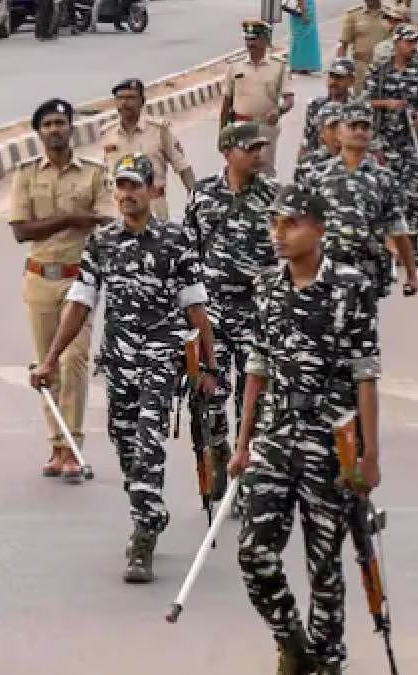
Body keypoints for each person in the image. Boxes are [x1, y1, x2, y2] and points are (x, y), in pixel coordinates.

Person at [31, 153, 218, 583]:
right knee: (126, 443)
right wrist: (50, 359)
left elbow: (195, 305)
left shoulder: (176, 241)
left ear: (153, 190)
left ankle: (144, 533)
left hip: (162, 358)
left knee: (149, 439)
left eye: (135, 186)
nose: (126, 194)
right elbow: (81, 302)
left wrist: (209, 364)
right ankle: (149, 506)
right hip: (119, 361)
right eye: (121, 186)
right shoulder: (102, 243)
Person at [230, 183, 382, 675]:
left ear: (319, 229)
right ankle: (291, 639)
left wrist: (369, 455)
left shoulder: (351, 285)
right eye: (274, 223)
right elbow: (257, 365)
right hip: (274, 435)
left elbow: (365, 373)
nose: (279, 233)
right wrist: (242, 441)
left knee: (325, 564)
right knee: (254, 552)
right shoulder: (265, 285)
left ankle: (329, 659)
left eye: (290, 223)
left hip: (329, 438)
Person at [8, 98, 114, 481]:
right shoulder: (25, 174)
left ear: (72, 128)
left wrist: (52, 223)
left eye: (60, 123)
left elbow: (104, 217)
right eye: (48, 124)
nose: (55, 130)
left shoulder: (93, 173)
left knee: (74, 361)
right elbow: (21, 230)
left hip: (78, 278)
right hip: (39, 278)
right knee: (46, 363)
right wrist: (71, 218)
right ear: (39, 132)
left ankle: (73, 445)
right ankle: (56, 445)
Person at [182, 122, 278, 507]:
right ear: (227, 152)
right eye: (249, 147)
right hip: (213, 314)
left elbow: (285, 255)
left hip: (257, 312)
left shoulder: (273, 196)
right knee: (209, 393)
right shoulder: (202, 196)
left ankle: (246, 476)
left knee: (253, 398)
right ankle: (219, 448)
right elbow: (188, 253)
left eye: (260, 147)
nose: (258, 153)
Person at [302, 101, 418, 297]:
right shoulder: (317, 175)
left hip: (366, 273)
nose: (359, 132)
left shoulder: (384, 178)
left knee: (362, 326)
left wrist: (411, 274)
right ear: (339, 133)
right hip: (325, 270)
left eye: (365, 127)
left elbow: (397, 229)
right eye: (352, 126)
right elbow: (300, 225)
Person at [364, 25, 418, 240]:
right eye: (409, 42)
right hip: (384, 140)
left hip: (412, 141)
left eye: (416, 42)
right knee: (384, 190)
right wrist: (387, 103)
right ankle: (386, 239)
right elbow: (365, 101)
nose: (413, 47)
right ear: (396, 43)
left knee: (413, 190)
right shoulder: (379, 70)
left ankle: (411, 238)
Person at [100, 78, 196, 221]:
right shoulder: (108, 133)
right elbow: (105, 175)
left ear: (142, 101)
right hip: (121, 208)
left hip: (154, 205)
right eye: (120, 98)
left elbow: (182, 166)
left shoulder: (159, 130)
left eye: (130, 98)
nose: (124, 103)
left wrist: (196, 198)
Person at [220, 19, 295, 176]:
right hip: (239, 126)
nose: (250, 43)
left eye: (254, 39)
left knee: (264, 171)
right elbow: (226, 102)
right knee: (239, 171)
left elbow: (289, 100)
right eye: (247, 39)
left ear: (265, 41)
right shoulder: (235, 66)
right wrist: (222, 132)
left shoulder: (279, 66)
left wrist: (279, 111)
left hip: (265, 127)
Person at [298, 58, 358, 161]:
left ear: (351, 81)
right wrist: (300, 163)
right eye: (331, 76)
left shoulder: (359, 109)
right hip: (318, 164)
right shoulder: (316, 105)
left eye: (339, 77)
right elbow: (307, 139)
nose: (333, 82)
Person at [336, 0, 392, 93]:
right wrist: (339, 71)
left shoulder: (391, 14)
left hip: (385, 68)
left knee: (383, 98)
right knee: (359, 100)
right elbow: (343, 44)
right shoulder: (353, 15)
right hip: (360, 68)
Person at [295, 101, 346, 184]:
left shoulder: (361, 161)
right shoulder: (310, 163)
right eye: (333, 127)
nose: (339, 131)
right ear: (321, 132)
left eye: (343, 126)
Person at [288, 0, 322, 75]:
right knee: (304, 39)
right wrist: (304, 13)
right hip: (304, 10)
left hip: (302, 9)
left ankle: (298, 65)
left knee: (299, 38)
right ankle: (302, 66)